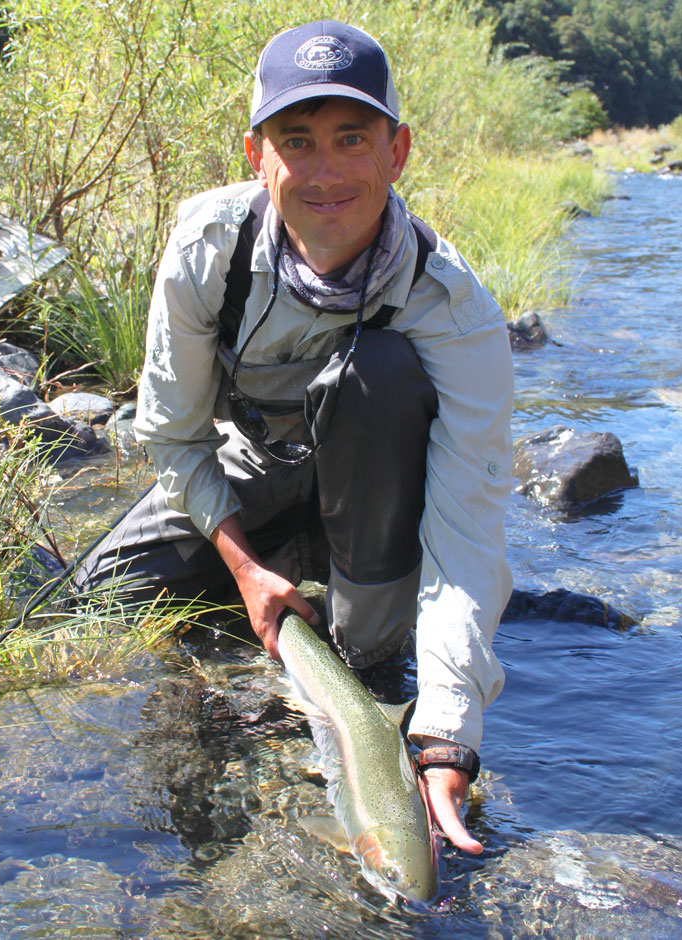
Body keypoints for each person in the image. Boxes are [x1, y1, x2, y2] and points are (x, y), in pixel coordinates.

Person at [74, 20, 513, 854]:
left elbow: (469, 525)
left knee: (377, 373)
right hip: (254, 468)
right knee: (101, 602)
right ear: (255, 155)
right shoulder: (210, 245)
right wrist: (245, 569)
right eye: (296, 141)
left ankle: (371, 649)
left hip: (381, 488)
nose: (326, 172)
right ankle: (280, 574)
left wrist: (450, 734)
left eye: (354, 139)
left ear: (398, 151)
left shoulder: (453, 309)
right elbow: (172, 437)